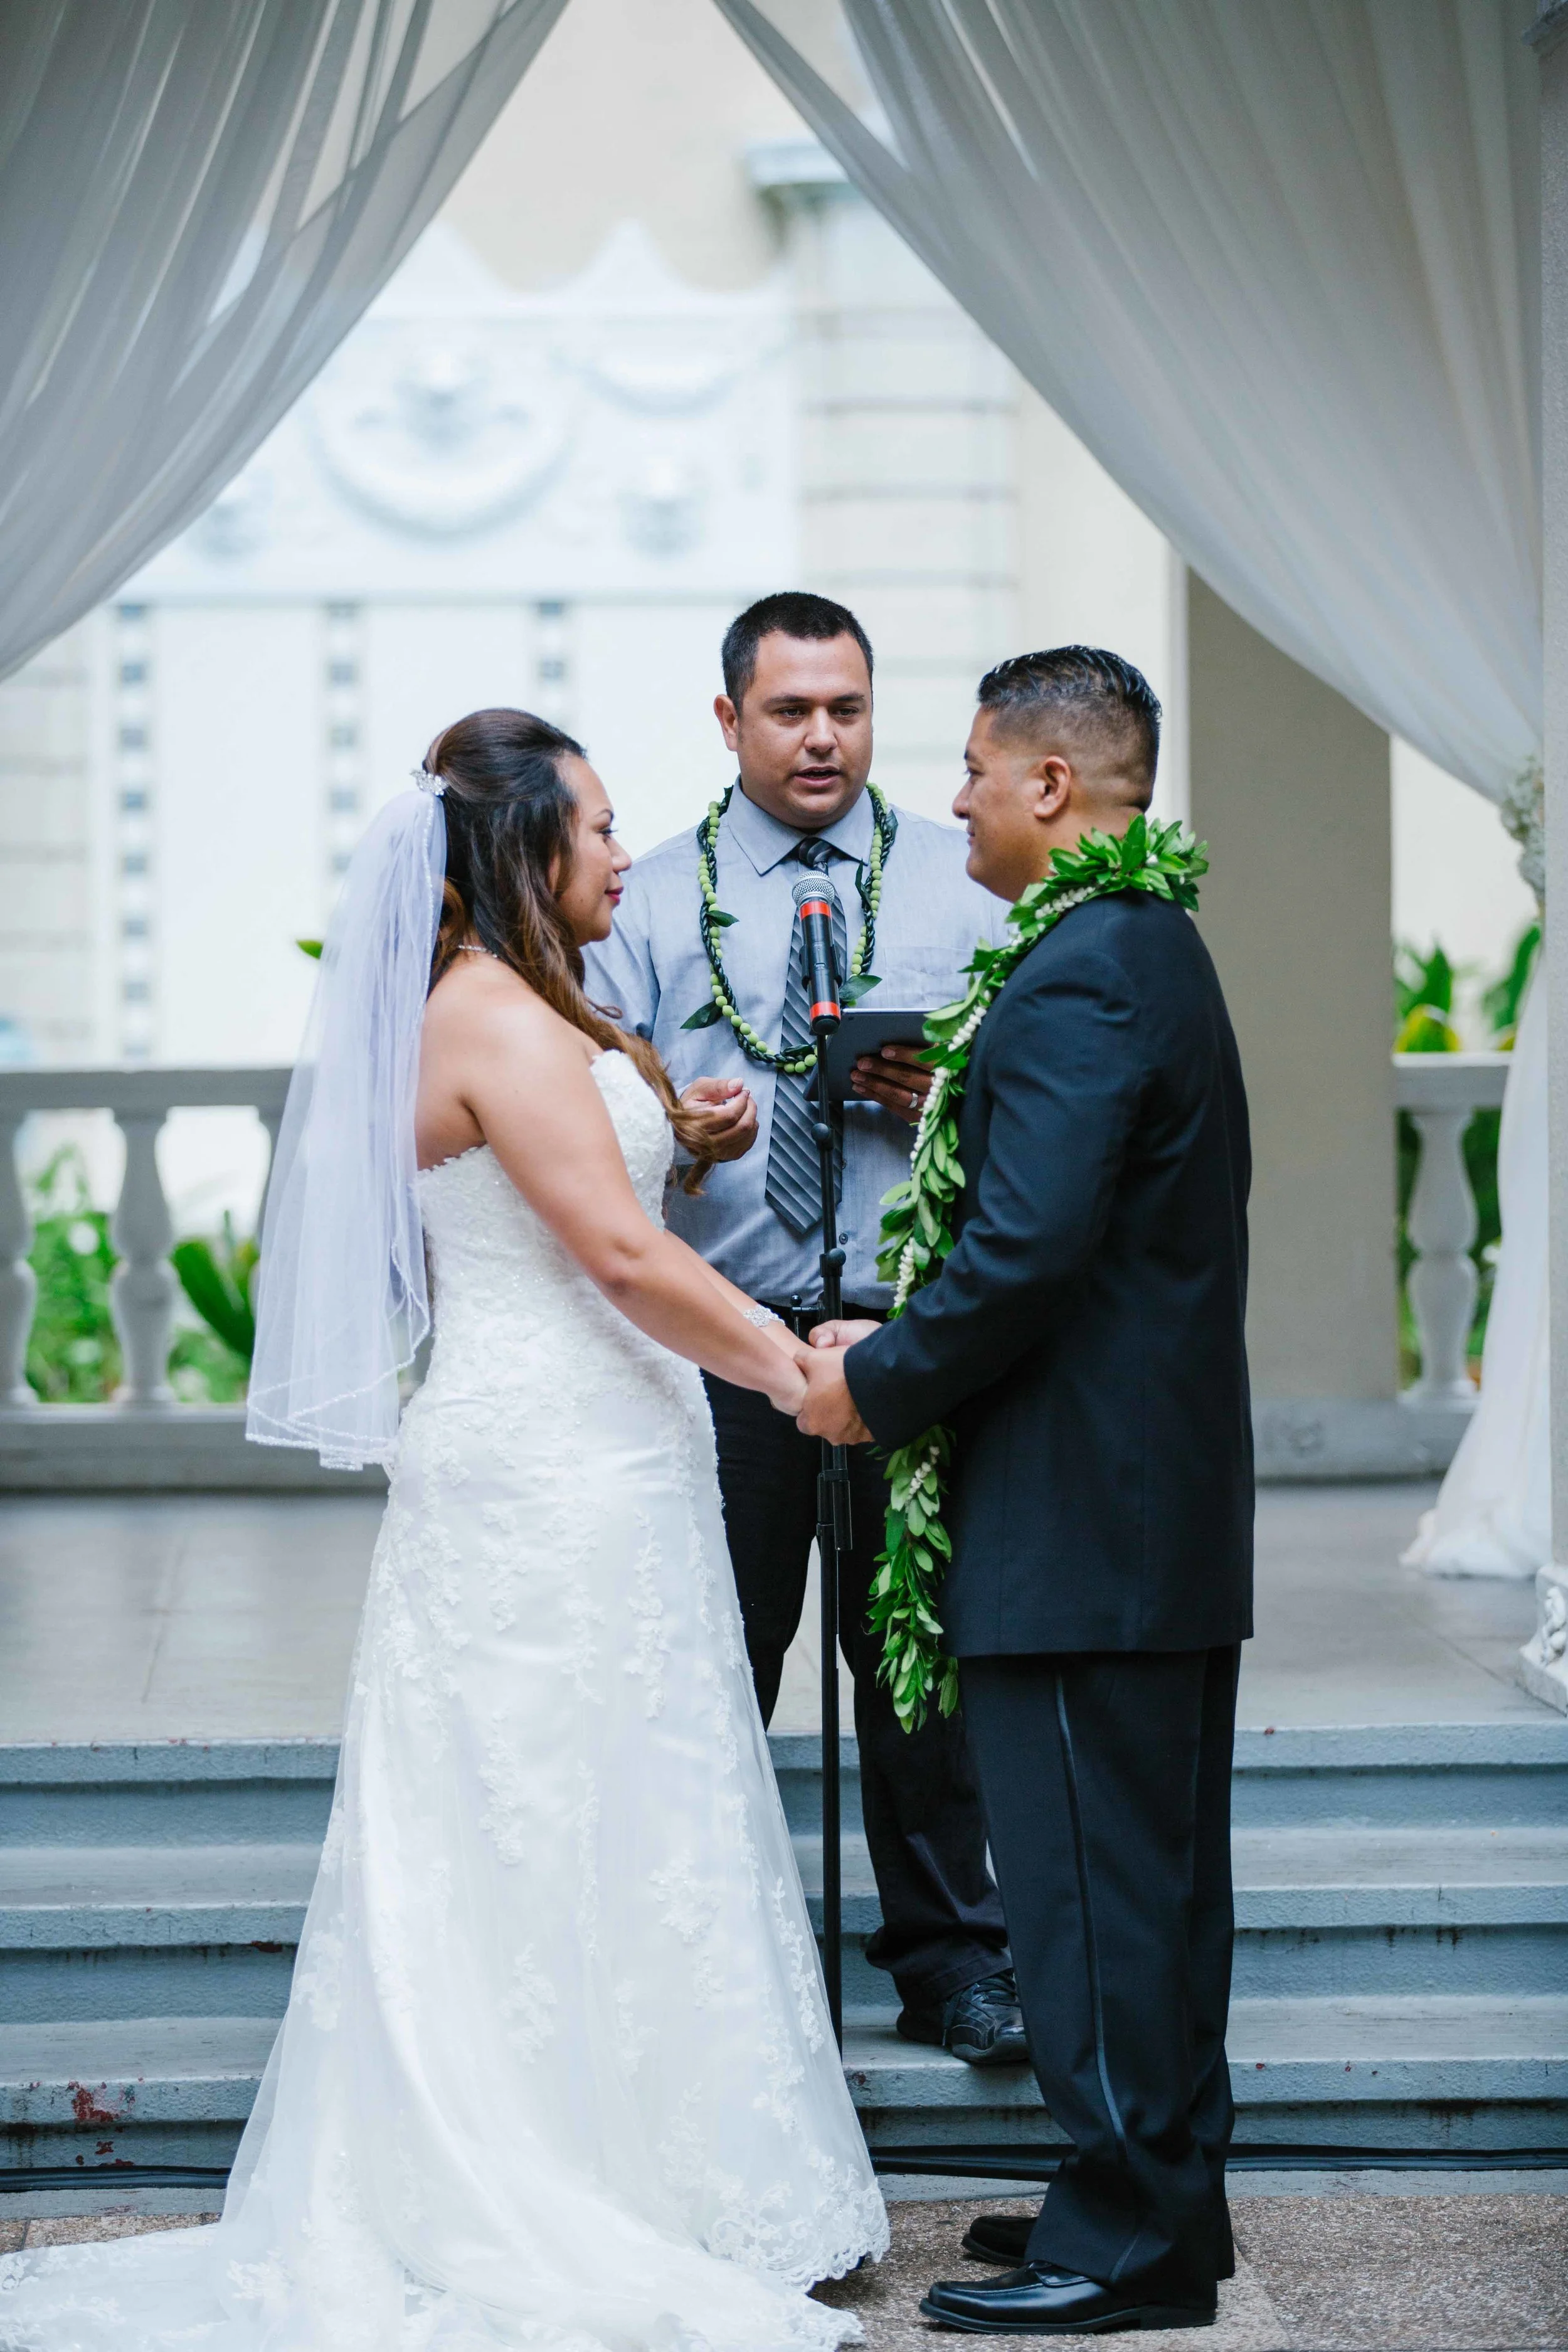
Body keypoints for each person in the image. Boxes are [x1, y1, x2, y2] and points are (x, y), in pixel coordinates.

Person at [0, 710, 886, 2351]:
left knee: (624, 1800)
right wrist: (800, 1369)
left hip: (606, 1453)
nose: (627, 850)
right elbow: (613, 1265)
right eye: (602, 825)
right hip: (545, 1470)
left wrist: (679, 1142)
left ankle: (652, 2161)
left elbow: (596, 1220)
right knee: (537, 1809)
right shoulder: (494, 1017)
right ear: (521, 848)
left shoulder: (541, 1008)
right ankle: (544, 2179)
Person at [800, 648, 1254, 2333]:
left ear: (1052, 785)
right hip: (1137, 1516)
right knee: (1141, 1880)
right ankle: (1140, 2190)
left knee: (1085, 1882)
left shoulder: (1080, 971)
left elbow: (1025, 1256)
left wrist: (871, 1377)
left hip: (1082, 1521)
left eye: (977, 768)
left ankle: (1128, 2236)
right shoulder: (1134, 945)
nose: (958, 797)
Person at [586, 590, 1023, 2065]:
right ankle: (705, 1968)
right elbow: (586, 1136)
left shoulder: (961, 893)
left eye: (845, 707)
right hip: (724, 1347)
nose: (822, 736)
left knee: (919, 1670)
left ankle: (952, 1960)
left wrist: (945, 1091)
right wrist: (684, 1133)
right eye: (789, 710)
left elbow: (1037, 1119)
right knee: (717, 1654)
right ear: (729, 721)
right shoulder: (643, 900)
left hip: (907, 1341)